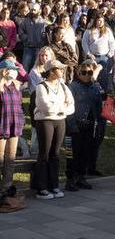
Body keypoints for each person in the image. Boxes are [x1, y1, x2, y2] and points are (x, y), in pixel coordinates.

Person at [34, 60, 75, 200]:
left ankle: (54, 185)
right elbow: (45, 107)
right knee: (44, 153)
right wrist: (61, 107)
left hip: (60, 121)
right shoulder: (41, 87)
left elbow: (71, 106)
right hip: (45, 122)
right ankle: (42, 187)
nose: (62, 71)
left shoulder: (63, 86)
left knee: (55, 154)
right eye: (59, 69)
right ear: (51, 71)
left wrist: (60, 108)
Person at [65, 60, 104, 191]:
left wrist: (98, 123)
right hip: (75, 125)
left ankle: (81, 177)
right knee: (73, 155)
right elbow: (68, 108)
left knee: (85, 153)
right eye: (84, 73)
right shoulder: (73, 87)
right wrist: (71, 126)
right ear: (78, 73)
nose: (87, 75)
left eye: (90, 73)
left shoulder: (95, 87)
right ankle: (71, 179)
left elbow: (99, 106)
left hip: (90, 125)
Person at [0, 60, 25, 194]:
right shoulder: (0, 86)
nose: (13, 72)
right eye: (10, 69)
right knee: (0, 158)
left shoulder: (16, 86)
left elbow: (20, 106)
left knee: (10, 158)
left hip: (14, 126)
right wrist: (1, 79)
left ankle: (7, 186)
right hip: (1, 126)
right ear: (3, 71)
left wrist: (21, 122)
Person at [82, 14, 115, 92]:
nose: (99, 22)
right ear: (95, 21)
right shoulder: (89, 31)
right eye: (98, 20)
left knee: (104, 76)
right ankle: (90, 91)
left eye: (101, 21)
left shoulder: (107, 31)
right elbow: (84, 43)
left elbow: (112, 43)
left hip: (104, 57)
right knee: (91, 75)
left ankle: (104, 93)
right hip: (92, 57)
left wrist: (110, 54)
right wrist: (88, 53)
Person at [18, 3, 47, 72]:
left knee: (36, 69)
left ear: (38, 11)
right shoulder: (25, 21)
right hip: (28, 48)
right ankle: (25, 82)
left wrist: (42, 39)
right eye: (31, 10)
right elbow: (20, 32)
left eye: (34, 10)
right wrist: (27, 39)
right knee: (25, 68)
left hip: (39, 49)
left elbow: (46, 34)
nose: (32, 12)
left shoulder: (43, 22)